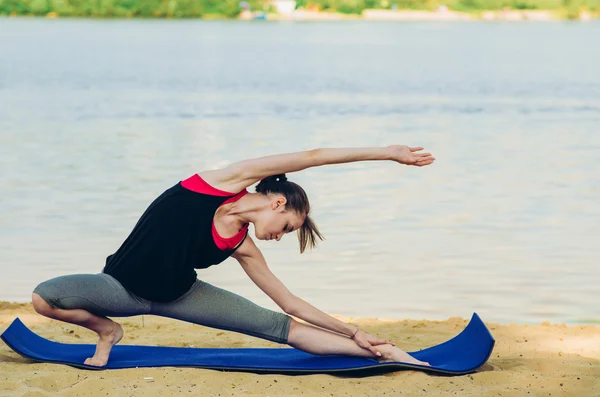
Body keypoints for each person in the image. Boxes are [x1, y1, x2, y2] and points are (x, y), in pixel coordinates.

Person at [31, 145, 435, 367]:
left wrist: (354, 332)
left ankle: (387, 353)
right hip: (119, 288)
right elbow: (313, 157)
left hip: (181, 295)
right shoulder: (222, 182)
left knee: (280, 328)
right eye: (289, 229)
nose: (280, 238)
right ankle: (107, 331)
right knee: (44, 298)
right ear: (278, 203)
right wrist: (386, 153)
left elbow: (289, 303)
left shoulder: (242, 244)